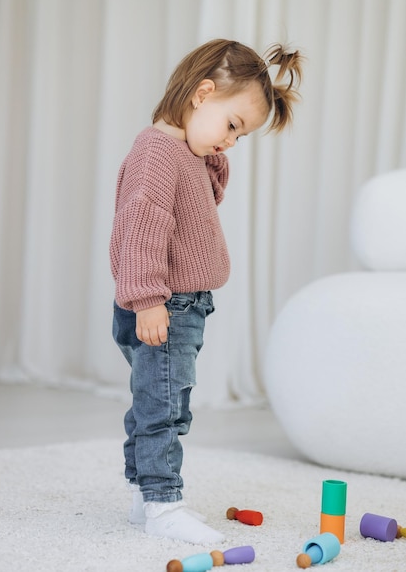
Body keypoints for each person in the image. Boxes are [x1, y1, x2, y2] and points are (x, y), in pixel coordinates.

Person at [110, 38, 303, 544]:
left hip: (180, 305)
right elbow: (139, 228)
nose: (231, 142)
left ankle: (143, 495)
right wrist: (148, 299)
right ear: (202, 93)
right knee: (163, 408)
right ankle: (163, 502)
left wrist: (214, 154)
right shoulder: (157, 154)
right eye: (232, 127)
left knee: (160, 401)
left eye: (241, 137)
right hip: (165, 305)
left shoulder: (183, 151)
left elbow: (205, 198)